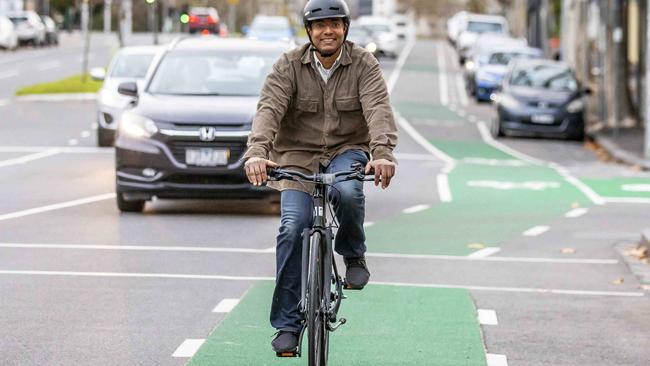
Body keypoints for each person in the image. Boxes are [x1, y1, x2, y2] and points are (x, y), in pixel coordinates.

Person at [243, 0, 398, 353]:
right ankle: (287, 326)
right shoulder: (287, 66)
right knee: (292, 227)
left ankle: (353, 253)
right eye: (320, 25)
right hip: (297, 156)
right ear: (309, 31)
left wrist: (384, 154)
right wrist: (257, 152)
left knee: (347, 191)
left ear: (345, 28)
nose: (328, 30)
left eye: (335, 24)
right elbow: (269, 109)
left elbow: (377, 108)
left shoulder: (363, 64)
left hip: (347, 149)